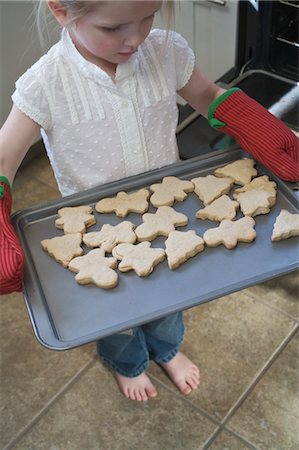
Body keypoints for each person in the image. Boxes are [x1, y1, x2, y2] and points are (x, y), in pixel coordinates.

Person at [0, 0, 298, 402]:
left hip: (168, 216)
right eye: (114, 28)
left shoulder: (165, 52)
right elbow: (5, 156)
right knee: (115, 315)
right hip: (97, 234)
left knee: (168, 298)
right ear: (62, 11)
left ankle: (167, 349)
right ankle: (128, 363)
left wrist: (251, 121)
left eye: (148, 17)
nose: (136, 38)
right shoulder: (45, 84)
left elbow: (207, 94)